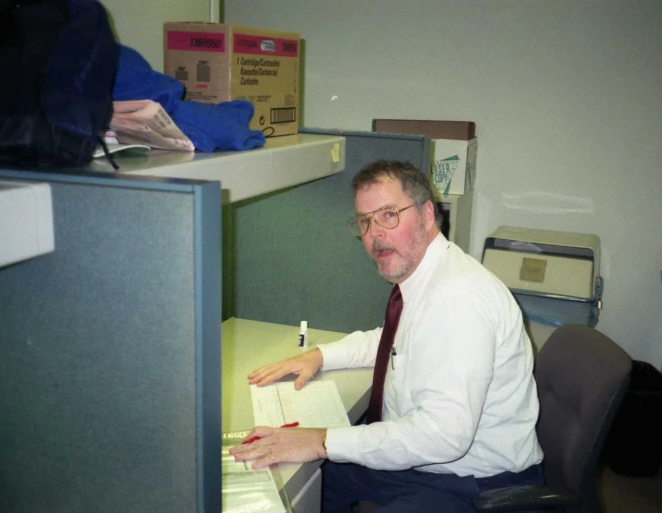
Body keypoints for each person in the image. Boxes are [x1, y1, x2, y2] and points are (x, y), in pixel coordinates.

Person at [230, 160, 544, 512]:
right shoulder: (430, 277)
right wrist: (319, 356)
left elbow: (443, 436)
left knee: (317, 463)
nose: (375, 234)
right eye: (364, 221)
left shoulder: (457, 299)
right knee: (312, 481)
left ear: (427, 215)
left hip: (474, 482)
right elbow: (393, 340)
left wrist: (322, 441)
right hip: (431, 466)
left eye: (388, 214)